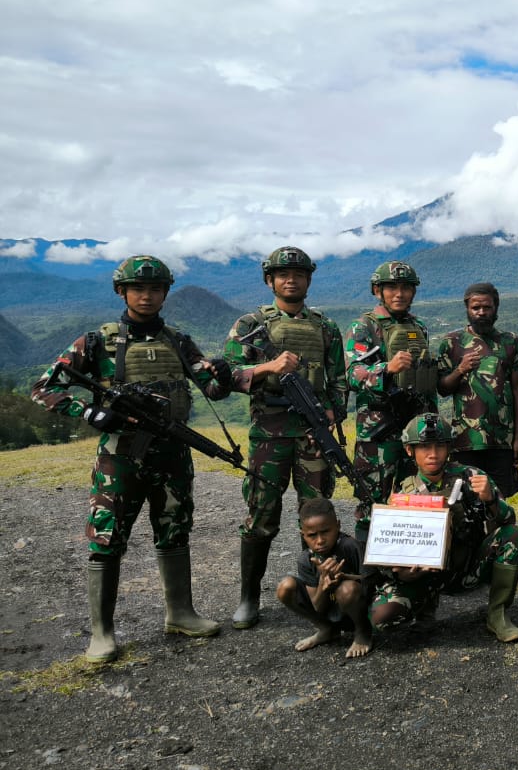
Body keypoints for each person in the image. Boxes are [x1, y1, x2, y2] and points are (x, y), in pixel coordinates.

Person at [31, 255, 244, 662]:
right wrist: (89, 412)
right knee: (107, 537)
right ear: (121, 292)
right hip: (120, 457)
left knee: (175, 530)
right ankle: (102, 633)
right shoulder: (96, 342)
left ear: (165, 293)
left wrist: (221, 372)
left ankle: (180, 613)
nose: (146, 296)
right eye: (137, 289)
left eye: (154, 289)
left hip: (172, 453)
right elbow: (45, 387)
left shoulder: (179, 341)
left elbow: (214, 392)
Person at [224, 246, 347, 630]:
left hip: (313, 436)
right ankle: (248, 598)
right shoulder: (250, 324)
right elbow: (225, 374)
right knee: (261, 515)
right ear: (270, 280)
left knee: (317, 516)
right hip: (270, 435)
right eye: (282, 274)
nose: (290, 279)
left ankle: (319, 594)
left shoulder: (325, 326)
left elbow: (338, 379)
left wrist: (333, 410)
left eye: (298, 274)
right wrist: (269, 367)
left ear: (308, 280)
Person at [366, 413, 518, 642]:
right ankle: (424, 608)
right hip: (424, 577)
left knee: (512, 536)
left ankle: (497, 614)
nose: (433, 454)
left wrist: (490, 499)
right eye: (424, 447)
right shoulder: (402, 494)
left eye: (440, 446)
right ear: (410, 450)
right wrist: (401, 573)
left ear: (449, 448)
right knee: (382, 617)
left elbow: (509, 520)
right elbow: (389, 554)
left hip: (466, 570)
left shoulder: (471, 477)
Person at [345, 261, 438, 549]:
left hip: (415, 430)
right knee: (372, 502)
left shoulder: (417, 326)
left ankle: (412, 569)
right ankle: (367, 576)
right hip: (378, 434)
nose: (399, 293)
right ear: (378, 290)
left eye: (406, 287)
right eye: (392, 287)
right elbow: (352, 374)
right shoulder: (363, 327)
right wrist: (387, 368)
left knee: (415, 497)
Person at [436, 282, 518, 499]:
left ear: (496, 308)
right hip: (464, 441)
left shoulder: (509, 342)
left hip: (501, 441)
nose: (481, 312)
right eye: (476, 308)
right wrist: (460, 369)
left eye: (487, 307)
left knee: (500, 499)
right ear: (467, 309)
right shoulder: (452, 342)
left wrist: (517, 439)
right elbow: (442, 389)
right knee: (464, 499)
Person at [274, 497, 372, 658]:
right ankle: (327, 629)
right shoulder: (306, 559)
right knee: (285, 587)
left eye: (326, 531)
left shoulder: (351, 547)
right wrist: (323, 583)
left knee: (347, 588)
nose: (320, 541)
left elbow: (371, 584)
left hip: (357, 609)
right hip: (330, 610)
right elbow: (318, 607)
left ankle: (363, 632)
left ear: (338, 526)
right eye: (312, 535)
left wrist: (344, 577)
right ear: (303, 535)